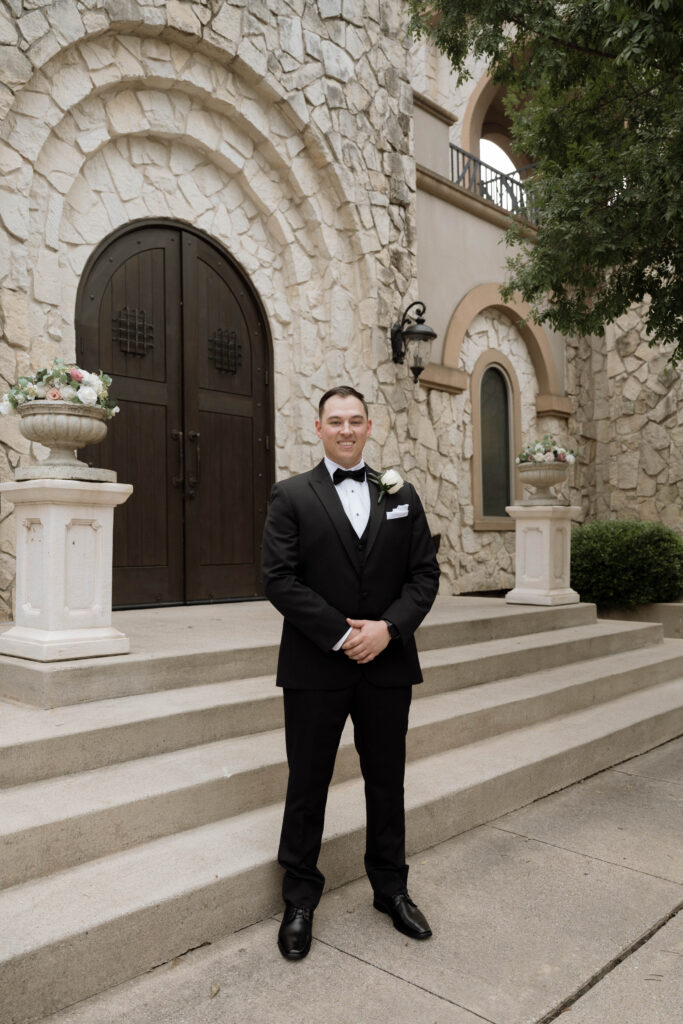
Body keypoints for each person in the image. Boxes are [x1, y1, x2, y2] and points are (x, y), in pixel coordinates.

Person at [261, 385, 440, 960]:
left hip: (388, 667)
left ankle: (391, 890)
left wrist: (387, 629)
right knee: (307, 783)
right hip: (316, 667)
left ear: (369, 426)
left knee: (387, 782)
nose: (345, 429)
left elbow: (424, 576)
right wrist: (342, 634)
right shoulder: (290, 495)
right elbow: (279, 579)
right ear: (317, 428)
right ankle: (299, 899)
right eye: (334, 421)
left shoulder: (401, 494)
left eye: (354, 420)